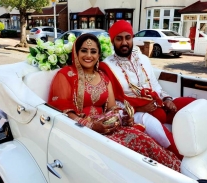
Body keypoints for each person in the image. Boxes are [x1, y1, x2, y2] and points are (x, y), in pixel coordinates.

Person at [48, 33, 181, 171]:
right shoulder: (66, 74)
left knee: (144, 140)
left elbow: (112, 107)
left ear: (98, 55)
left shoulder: (103, 77)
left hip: (107, 126)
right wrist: (91, 126)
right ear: (76, 53)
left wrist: (124, 117)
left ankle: (176, 172)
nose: (89, 55)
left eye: (93, 51)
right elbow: (63, 109)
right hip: (81, 130)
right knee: (129, 152)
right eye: (84, 50)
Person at [100, 20, 196, 160]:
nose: (124, 43)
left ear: (132, 38)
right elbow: (112, 105)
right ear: (112, 41)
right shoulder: (106, 67)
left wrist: (167, 99)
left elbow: (154, 85)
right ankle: (184, 160)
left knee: (192, 104)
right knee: (156, 126)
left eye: (127, 37)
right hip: (135, 113)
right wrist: (140, 109)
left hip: (156, 103)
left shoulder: (143, 59)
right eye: (119, 39)